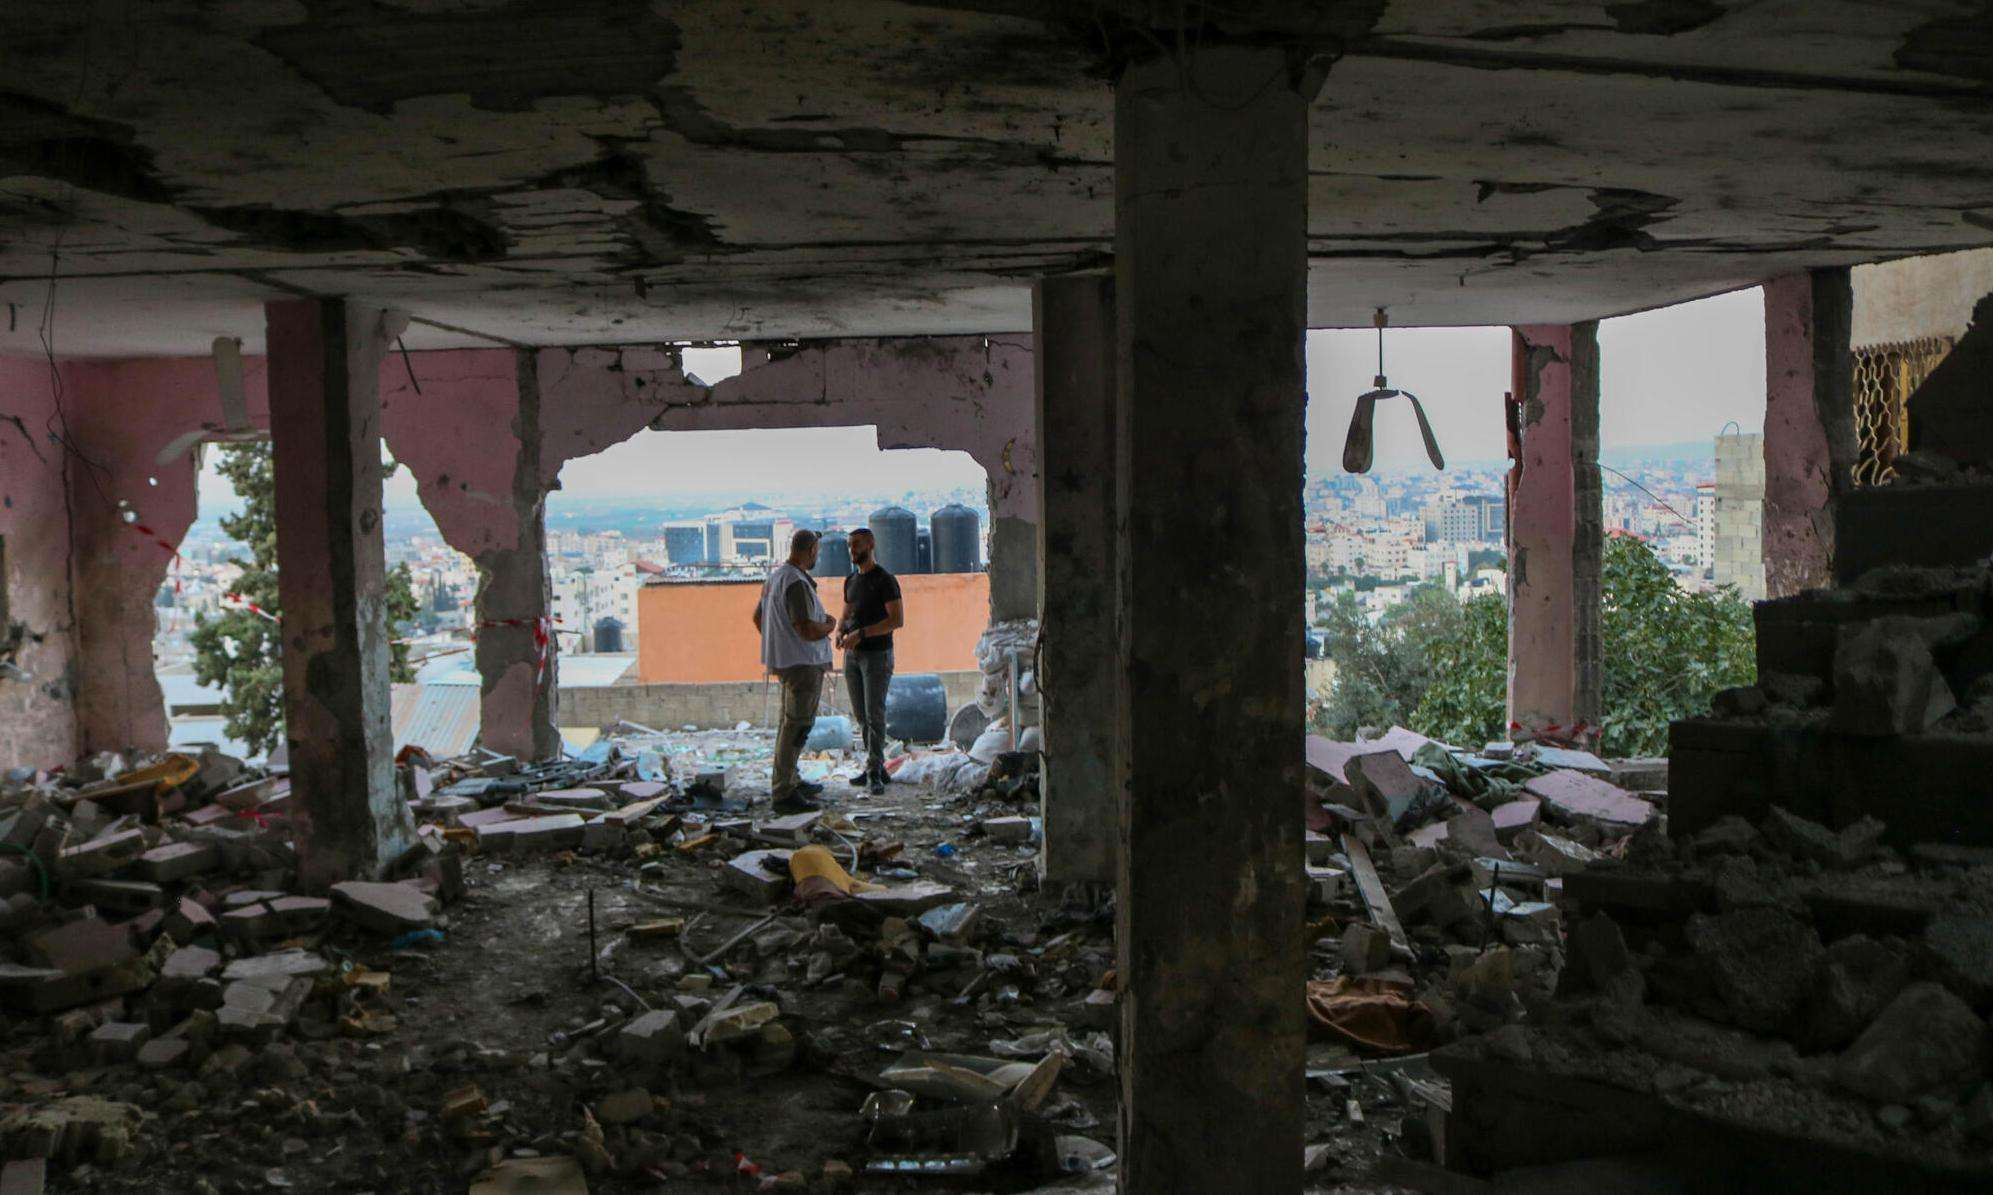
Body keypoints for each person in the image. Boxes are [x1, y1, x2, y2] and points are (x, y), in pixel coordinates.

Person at [753, 529, 837, 813]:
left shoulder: (776, 577)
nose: (818, 556)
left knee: (789, 725)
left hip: (789, 662)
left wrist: (779, 640)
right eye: (817, 552)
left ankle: (791, 779)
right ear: (811, 550)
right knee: (796, 727)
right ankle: (784, 792)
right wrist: (828, 625)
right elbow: (806, 628)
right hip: (802, 665)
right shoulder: (796, 582)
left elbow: (758, 617)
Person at [837, 527, 904, 795]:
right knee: (862, 715)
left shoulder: (886, 580)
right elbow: (846, 612)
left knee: (874, 714)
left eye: (857, 545)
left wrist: (862, 633)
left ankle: (874, 769)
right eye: (850, 546)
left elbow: (896, 620)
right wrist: (841, 631)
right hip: (852, 655)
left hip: (877, 655)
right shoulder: (851, 580)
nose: (853, 550)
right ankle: (876, 767)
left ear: (870, 544)